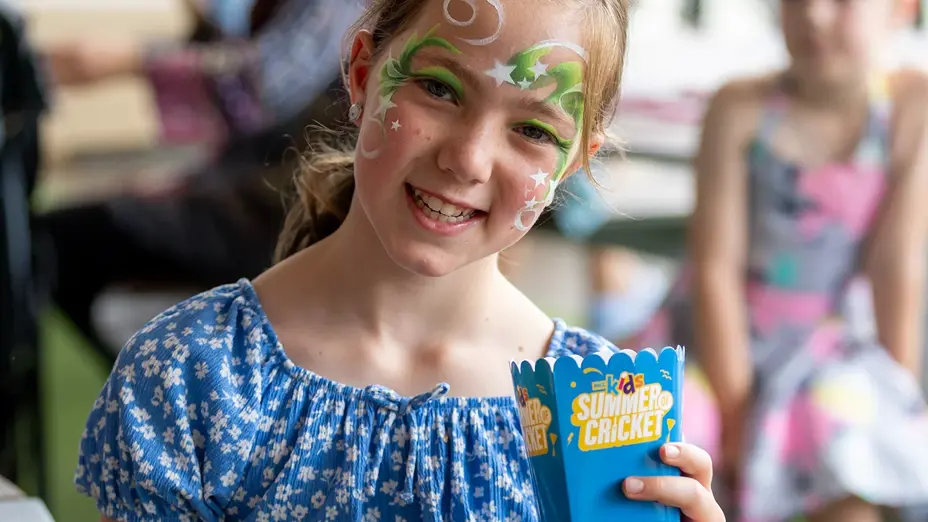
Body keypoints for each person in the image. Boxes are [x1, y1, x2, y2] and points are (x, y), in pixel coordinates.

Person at [73, 0, 725, 519]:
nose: (468, 158)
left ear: (575, 162)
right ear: (361, 73)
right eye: (440, 90)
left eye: (532, 130)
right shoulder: (197, 373)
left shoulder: (599, 417)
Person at [624, 0, 928, 520]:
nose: (812, 15)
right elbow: (715, 271)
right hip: (709, 340)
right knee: (656, 456)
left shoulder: (911, 105)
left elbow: (896, 266)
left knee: (855, 465)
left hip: (824, 349)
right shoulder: (739, 107)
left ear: (901, 8)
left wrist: (899, 407)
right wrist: (738, 416)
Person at [37, 0, 364, 360]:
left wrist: (128, 61)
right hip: (256, 203)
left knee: (56, 241)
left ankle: (150, 380)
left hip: (284, 219)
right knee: (68, 236)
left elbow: (258, 87)